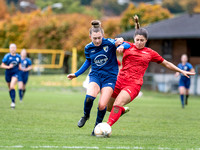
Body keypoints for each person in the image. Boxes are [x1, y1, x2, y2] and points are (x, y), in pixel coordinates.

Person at [106, 15, 195, 127]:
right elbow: (122, 43)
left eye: (142, 40)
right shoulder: (128, 46)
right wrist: (120, 46)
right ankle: (122, 111)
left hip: (133, 85)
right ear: (134, 39)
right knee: (108, 107)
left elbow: (166, 63)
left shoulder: (150, 53)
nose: (139, 42)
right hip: (119, 81)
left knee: (117, 104)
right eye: (137, 40)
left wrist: (181, 71)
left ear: (146, 41)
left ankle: (107, 126)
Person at [67, 20, 130, 135]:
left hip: (109, 78)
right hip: (95, 76)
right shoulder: (88, 48)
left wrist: (122, 44)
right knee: (90, 97)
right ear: (90, 36)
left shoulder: (110, 43)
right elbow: (88, 62)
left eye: (99, 38)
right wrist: (76, 74)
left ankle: (97, 128)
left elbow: (128, 44)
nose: (97, 40)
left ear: (103, 35)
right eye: (94, 38)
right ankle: (86, 116)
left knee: (102, 105)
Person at [1, 43, 21, 108]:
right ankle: (13, 99)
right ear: (9, 49)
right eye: (11, 48)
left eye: (14, 48)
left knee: (12, 86)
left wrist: (23, 69)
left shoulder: (18, 57)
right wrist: (8, 67)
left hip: (15, 74)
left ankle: (13, 103)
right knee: (10, 88)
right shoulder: (7, 56)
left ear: (16, 49)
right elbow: (2, 65)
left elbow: (20, 66)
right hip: (8, 74)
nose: (12, 49)